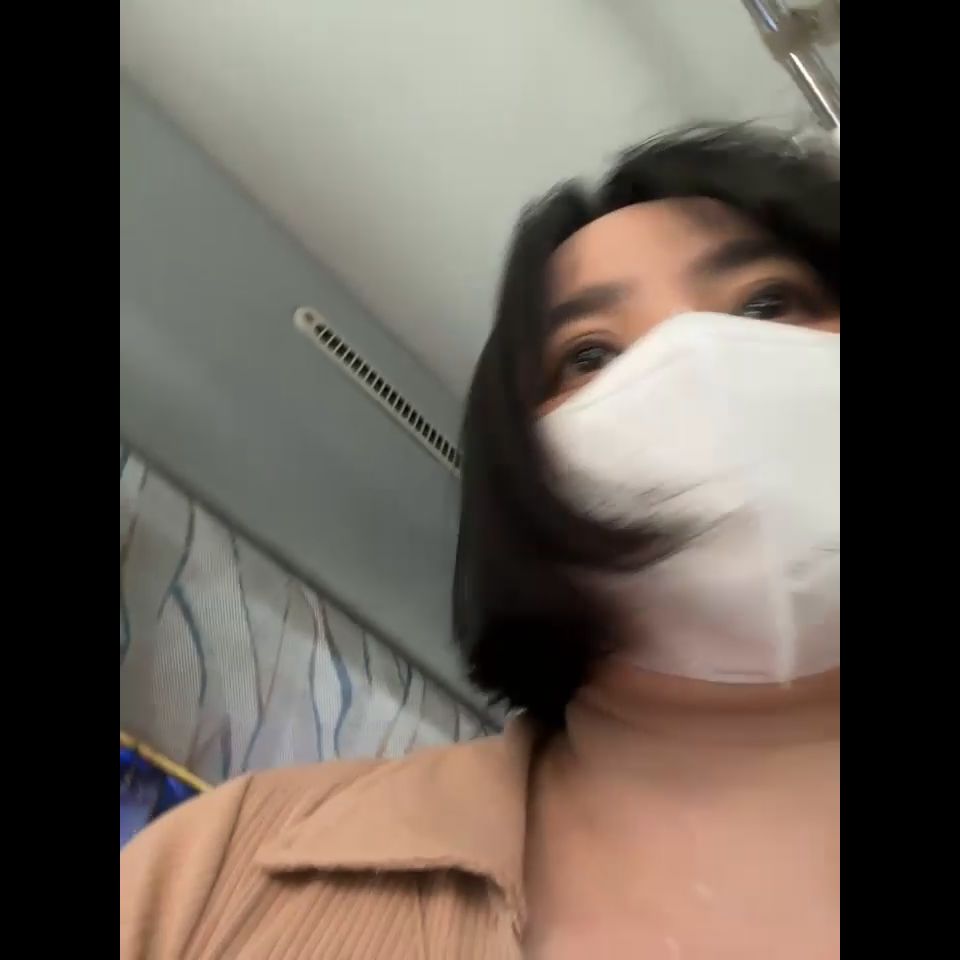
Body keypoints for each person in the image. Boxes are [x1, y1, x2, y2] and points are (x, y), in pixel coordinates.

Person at [120, 125, 840, 959]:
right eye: (588, 355)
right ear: (520, 484)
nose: (698, 361)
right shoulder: (215, 879)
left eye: (766, 304)